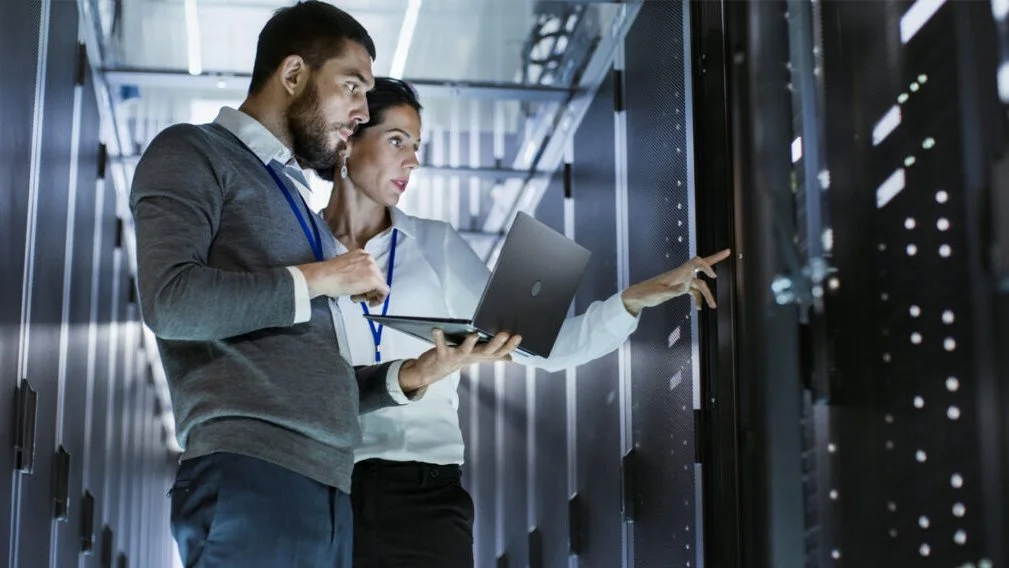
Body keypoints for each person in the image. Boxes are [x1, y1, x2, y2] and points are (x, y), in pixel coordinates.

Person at [129, 5, 519, 567]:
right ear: (293, 75)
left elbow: (313, 377)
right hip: (252, 474)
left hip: (328, 489)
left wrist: (414, 374)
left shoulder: (294, 203)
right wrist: (323, 276)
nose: (360, 111)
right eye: (352, 87)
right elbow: (171, 302)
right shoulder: (193, 151)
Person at [316, 77, 731, 567]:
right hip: (324, 489)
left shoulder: (434, 244)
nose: (413, 161)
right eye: (397, 141)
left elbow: (543, 348)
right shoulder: (301, 251)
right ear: (349, 138)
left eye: (417, 146)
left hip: (425, 498)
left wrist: (632, 300)